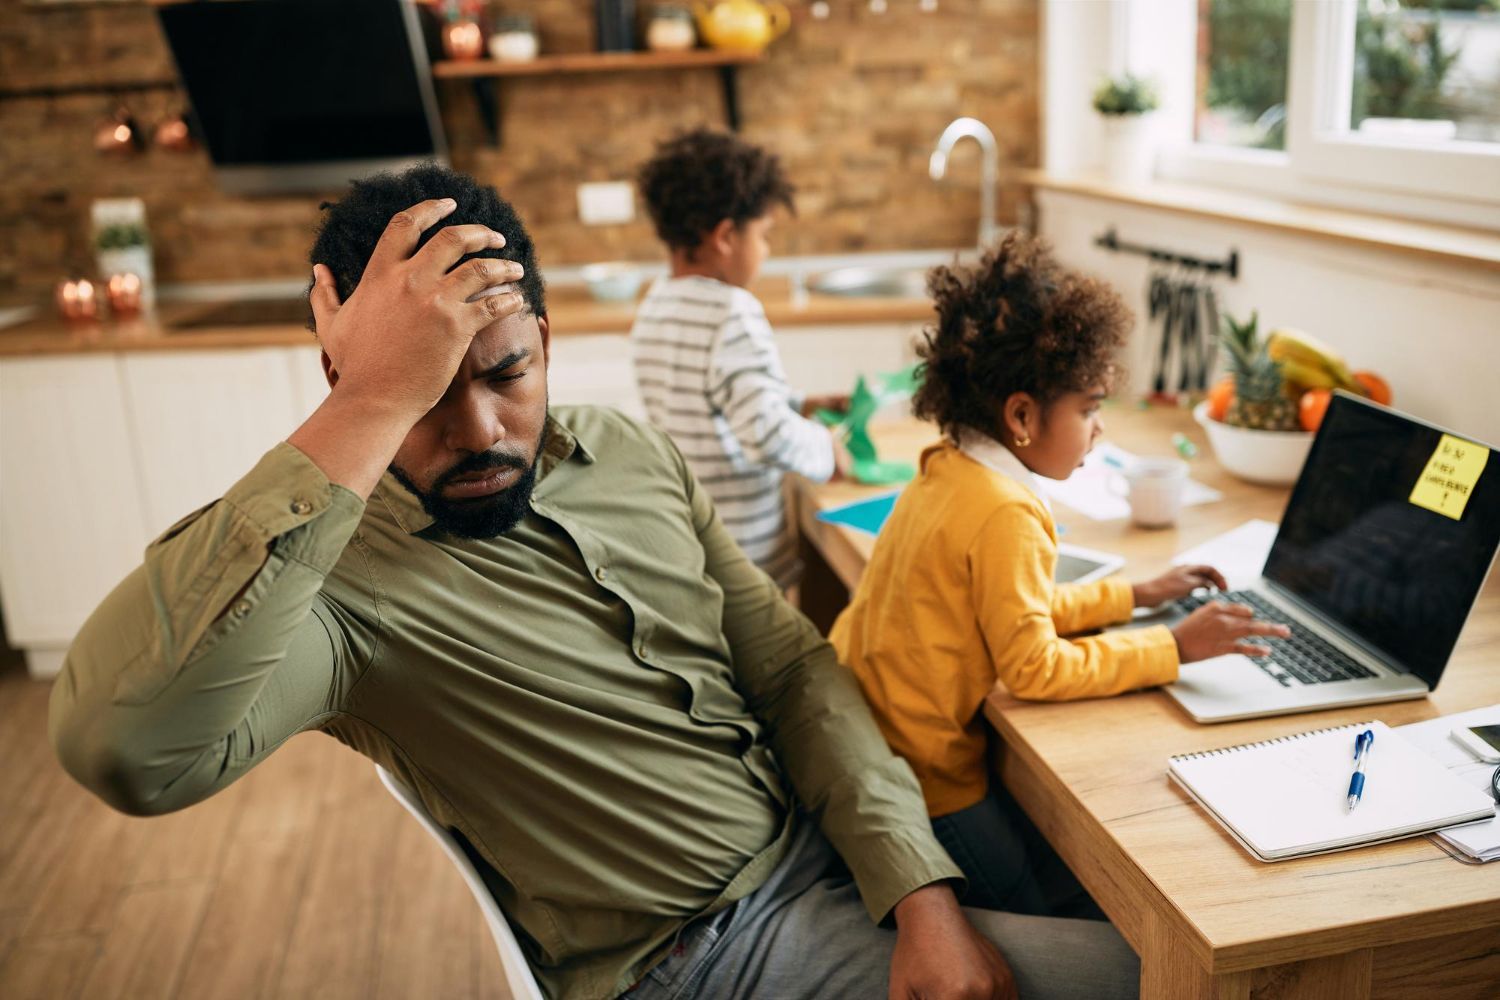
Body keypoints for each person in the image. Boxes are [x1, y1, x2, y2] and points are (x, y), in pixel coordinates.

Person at [49, 165, 1139, 1000]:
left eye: (507, 371)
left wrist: (915, 885)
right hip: (714, 954)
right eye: (423, 389)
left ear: (548, 341)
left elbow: (794, 672)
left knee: (1137, 892)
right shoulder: (339, 590)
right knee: (1169, 974)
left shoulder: (623, 450)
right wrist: (365, 411)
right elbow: (122, 747)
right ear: (351, 374)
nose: (479, 429)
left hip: (829, 842)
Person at [831, 233, 1291, 914]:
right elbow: (1035, 667)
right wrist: (1173, 647)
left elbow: (1009, 605)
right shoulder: (1005, 512)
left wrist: (1133, 595)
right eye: (1090, 408)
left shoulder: (949, 466)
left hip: (865, 739)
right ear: (1020, 415)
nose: (1099, 430)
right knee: (1037, 904)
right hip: (924, 780)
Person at [632, 129, 844, 589]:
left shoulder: (655, 305)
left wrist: (796, 403)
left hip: (692, 543)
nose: (765, 252)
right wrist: (828, 451)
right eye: (764, 236)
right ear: (726, 236)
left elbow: (711, 405)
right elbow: (764, 433)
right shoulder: (733, 311)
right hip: (748, 556)